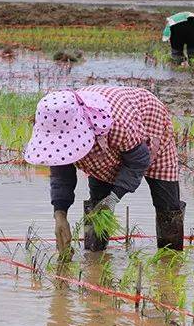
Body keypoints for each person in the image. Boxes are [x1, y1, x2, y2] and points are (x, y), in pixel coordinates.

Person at [23, 86, 184, 256]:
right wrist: (60, 215)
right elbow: (62, 177)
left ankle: (170, 261)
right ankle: (95, 260)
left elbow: (139, 160)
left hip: (149, 122)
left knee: (168, 206)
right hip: (105, 147)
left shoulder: (118, 126)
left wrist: (114, 198)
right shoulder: (58, 129)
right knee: (98, 205)